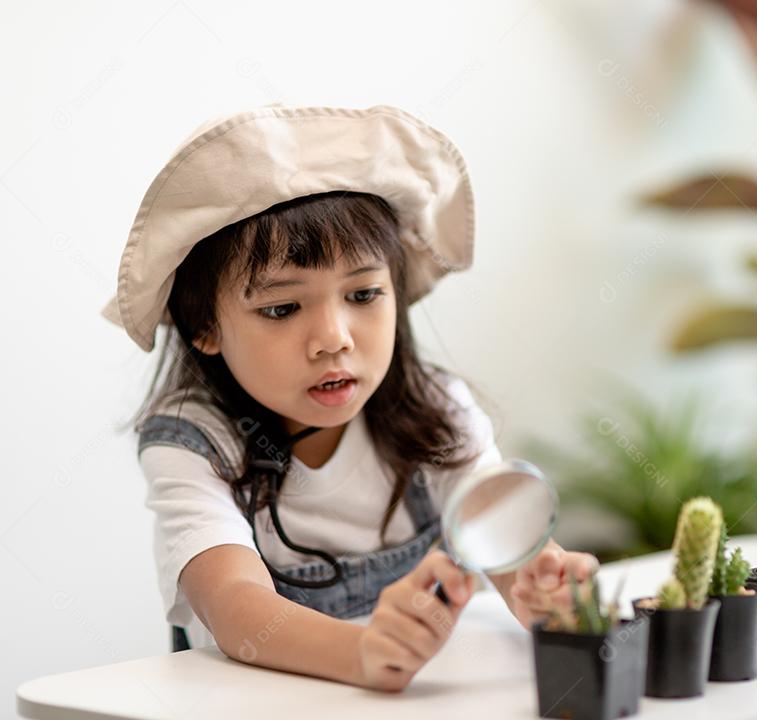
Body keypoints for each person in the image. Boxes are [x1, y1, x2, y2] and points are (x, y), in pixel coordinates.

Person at [101, 104, 598, 692]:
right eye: (282, 308)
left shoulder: (435, 409)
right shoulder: (193, 442)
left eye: (363, 295)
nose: (334, 339)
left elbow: (509, 551)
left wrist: (545, 594)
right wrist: (366, 653)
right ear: (203, 327)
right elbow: (237, 606)